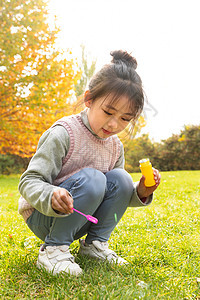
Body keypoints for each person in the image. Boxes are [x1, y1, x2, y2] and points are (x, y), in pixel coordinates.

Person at [18, 50, 161, 276]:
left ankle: (95, 245)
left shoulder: (115, 147)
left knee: (121, 178)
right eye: (108, 112)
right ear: (89, 99)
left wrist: (141, 191)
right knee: (94, 178)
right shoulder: (63, 133)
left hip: (83, 218)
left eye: (125, 118)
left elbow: (115, 195)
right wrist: (51, 195)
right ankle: (53, 249)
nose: (114, 124)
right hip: (44, 215)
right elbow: (29, 181)